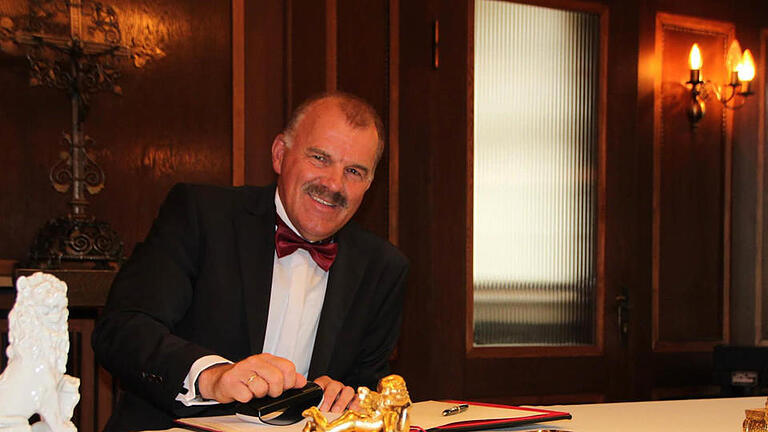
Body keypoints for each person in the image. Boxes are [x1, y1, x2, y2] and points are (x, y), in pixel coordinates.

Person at [92, 92, 409, 431]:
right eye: (319, 158)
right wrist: (211, 376)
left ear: (369, 184)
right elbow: (122, 330)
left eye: (354, 171)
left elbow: (363, 386)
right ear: (279, 154)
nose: (334, 183)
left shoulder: (383, 268)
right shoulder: (201, 215)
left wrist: (344, 396)